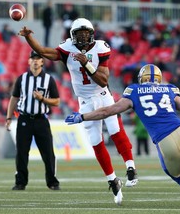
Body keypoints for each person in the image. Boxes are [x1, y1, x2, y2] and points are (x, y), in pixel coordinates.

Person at [65, 64, 180, 209]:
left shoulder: (133, 91)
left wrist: (82, 116)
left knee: (177, 175)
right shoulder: (169, 89)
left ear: (140, 78)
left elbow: (107, 111)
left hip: (166, 139)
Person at [18, 18, 138, 205]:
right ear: (72, 36)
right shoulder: (67, 49)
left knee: (115, 129)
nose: (83, 37)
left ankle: (131, 167)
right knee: (96, 141)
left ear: (91, 34)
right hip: (85, 101)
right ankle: (112, 180)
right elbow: (42, 51)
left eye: (85, 33)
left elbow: (103, 81)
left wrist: (86, 64)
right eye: (79, 34)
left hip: (103, 94)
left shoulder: (101, 47)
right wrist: (28, 37)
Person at [5, 51, 60, 191]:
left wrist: (42, 99)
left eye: (38, 59)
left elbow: (57, 101)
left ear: (42, 62)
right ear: (29, 61)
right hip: (24, 119)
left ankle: (52, 182)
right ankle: (20, 182)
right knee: (22, 152)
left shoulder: (49, 79)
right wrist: (9, 117)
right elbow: (14, 98)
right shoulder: (22, 79)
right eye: (33, 58)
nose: (35, 61)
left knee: (48, 152)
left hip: (41, 120)